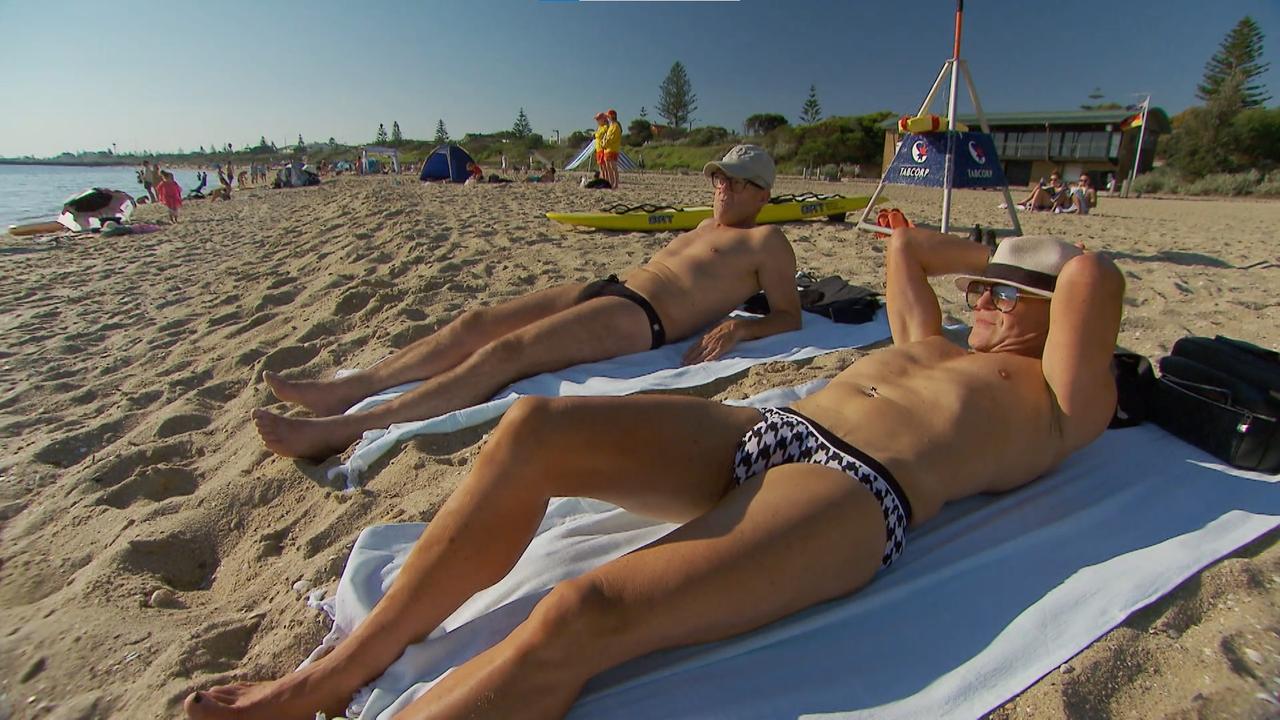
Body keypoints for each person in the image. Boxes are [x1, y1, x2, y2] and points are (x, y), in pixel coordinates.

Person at [185, 228, 1123, 720]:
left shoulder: (1053, 400)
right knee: (532, 429)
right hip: (773, 429)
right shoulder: (935, 340)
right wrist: (994, 260)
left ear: (1048, 306)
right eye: (978, 290)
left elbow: (1093, 275)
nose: (979, 300)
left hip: (855, 489)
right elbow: (904, 249)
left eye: (1003, 294)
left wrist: (1039, 254)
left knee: (582, 616)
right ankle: (335, 674)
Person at [253, 145, 802, 460]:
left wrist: (742, 328)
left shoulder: (767, 242)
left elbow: (790, 315)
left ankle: (347, 428)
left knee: (507, 353)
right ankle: (346, 390)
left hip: (642, 319)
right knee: (476, 324)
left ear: (762, 194)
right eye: (719, 179)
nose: (722, 189)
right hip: (612, 286)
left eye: (736, 183)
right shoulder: (707, 222)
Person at [602, 108, 623, 189]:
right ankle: (610, 182)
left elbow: (611, 138)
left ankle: (616, 184)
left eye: (608, 116)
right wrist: (604, 143)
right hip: (607, 149)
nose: (608, 118)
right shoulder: (611, 126)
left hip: (612, 149)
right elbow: (607, 137)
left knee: (613, 167)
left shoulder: (616, 126)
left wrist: (605, 143)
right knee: (608, 167)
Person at [592, 111, 609, 177]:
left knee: (604, 167)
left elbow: (600, 135)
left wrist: (595, 134)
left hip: (602, 148)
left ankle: (606, 179)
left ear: (603, 119)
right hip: (598, 148)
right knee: (601, 166)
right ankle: (603, 178)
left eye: (598, 119)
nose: (597, 121)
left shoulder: (605, 127)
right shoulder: (600, 127)